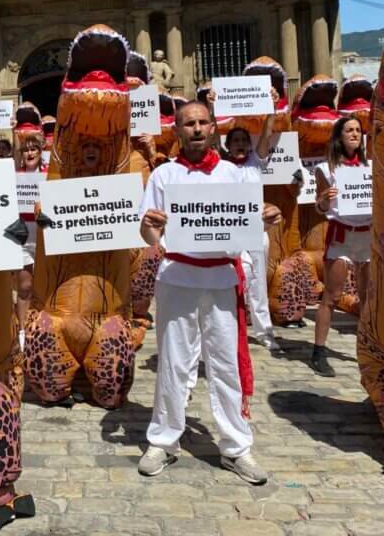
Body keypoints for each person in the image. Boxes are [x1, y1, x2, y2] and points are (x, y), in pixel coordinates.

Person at [137, 101, 272, 485]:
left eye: (202, 122)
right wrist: (152, 228)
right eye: (188, 124)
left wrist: (268, 221)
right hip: (177, 277)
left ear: (213, 127)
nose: (196, 129)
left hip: (220, 280)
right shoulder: (163, 175)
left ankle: (235, 447)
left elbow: (251, 232)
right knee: (174, 363)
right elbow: (149, 234)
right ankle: (164, 439)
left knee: (225, 365)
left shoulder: (235, 174)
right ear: (177, 130)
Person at [214, 89, 280, 351]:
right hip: (229, 232)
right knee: (229, 279)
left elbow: (267, 133)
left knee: (258, 282)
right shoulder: (220, 165)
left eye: (244, 140)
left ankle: (264, 332)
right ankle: (229, 329)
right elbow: (209, 138)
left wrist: (271, 108)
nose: (240, 144)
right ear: (227, 146)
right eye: (235, 140)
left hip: (255, 230)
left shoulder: (255, 163)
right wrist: (211, 108)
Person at [310, 116, 370, 377]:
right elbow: (320, 208)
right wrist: (324, 199)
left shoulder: (372, 167)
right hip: (342, 236)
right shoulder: (326, 169)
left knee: (368, 298)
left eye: (358, 130)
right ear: (339, 136)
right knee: (331, 297)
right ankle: (319, 351)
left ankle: (370, 349)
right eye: (349, 130)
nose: (354, 134)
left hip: (367, 235)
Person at [15, 130, 46, 340]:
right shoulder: (14, 175)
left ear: (40, 151)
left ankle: (43, 329)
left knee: (45, 287)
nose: (30, 153)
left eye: (34, 148)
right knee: (25, 287)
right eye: (26, 150)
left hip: (44, 237)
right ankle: (23, 333)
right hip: (22, 237)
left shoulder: (50, 174)